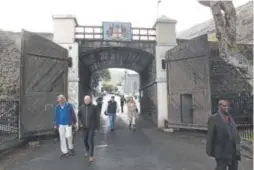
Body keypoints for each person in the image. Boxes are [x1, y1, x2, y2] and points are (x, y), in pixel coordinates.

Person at [206, 100, 241, 170]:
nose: (226, 107)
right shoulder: (213, 118)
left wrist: (238, 146)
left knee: (234, 167)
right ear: (219, 107)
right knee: (221, 168)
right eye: (224, 106)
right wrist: (210, 151)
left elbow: (235, 133)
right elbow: (210, 136)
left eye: (227, 106)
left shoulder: (230, 118)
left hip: (233, 150)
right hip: (221, 151)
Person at [78, 95, 100, 162]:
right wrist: (80, 123)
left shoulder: (94, 107)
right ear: (84, 100)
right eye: (85, 100)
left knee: (90, 141)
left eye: (88, 99)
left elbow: (97, 117)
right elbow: (79, 116)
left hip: (91, 127)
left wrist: (97, 127)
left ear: (90, 100)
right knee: (85, 140)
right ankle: (87, 150)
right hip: (84, 127)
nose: (86, 101)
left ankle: (91, 156)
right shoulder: (81, 107)